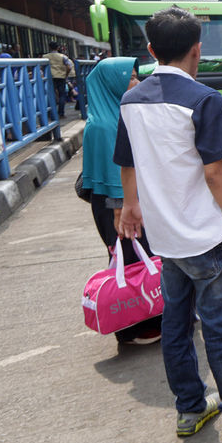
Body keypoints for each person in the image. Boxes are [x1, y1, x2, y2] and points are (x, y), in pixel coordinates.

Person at [115, 6, 222, 440]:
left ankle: (190, 409)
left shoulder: (131, 100)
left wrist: (131, 204)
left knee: (176, 326)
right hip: (207, 238)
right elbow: (215, 173)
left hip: (165, 238)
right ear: (197, 49)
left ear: (151, 49)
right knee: (220, 329)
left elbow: (128, 160)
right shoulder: (203, 100)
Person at [80, 57, 161, 345]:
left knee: (132, 259)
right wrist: (121, 208)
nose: (137, 83)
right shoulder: (104, 125)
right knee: (133, 260)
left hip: (119, 200)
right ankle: (140, 325)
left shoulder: (110, 115)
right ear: (112, 84)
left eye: (138, 77)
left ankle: (135, 324)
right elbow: (113, 170)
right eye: (130, 78)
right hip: (116, 204)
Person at [43, 41, 73, 117]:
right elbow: (69, 67)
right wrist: (66, 74)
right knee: (62, 95)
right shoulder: (63, 57)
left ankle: (51, 113)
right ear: (58, 48)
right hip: (61, 77)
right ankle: (61, 113)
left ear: (49, 47)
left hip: (50, 78)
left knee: (50, 94)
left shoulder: (44, 57)